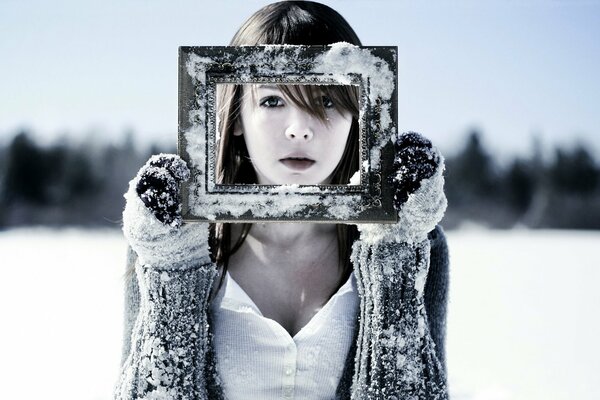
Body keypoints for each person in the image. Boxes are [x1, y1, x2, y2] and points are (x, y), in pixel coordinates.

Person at [115, 2, 449, 399]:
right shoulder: (171, 240)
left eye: (326, 100)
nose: (299, 129)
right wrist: (173, 266)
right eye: (273, 100)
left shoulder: (413, 239)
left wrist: (394, 253)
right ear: (236, 116)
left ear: (357, 114)